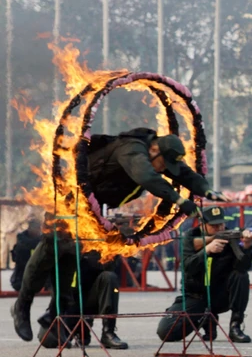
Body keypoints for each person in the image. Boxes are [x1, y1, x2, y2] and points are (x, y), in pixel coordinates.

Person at [11, 130, 217, 342]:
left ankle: (56, 315)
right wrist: (181, 201)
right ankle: (22, 305)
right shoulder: (132, 150)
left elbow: (183, 173)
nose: (165, 170)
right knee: (49, 249)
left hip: (91, 210)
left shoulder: (156, 155)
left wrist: (207, 190)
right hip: (70, 200)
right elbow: (146, 176)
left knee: (72, 254)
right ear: (154, 149)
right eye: (163, 164)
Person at [157, 206, 252, 344]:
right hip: (196, 296)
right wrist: (206, 250)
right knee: (166, 332)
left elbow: (243, 267)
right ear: (202, 225)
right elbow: (188, 267)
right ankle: (204, 320)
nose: (219, 228)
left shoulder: (231, 236)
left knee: (241, 276)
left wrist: (246, 247)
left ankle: (235, 326)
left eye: (221, 224)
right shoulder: (190, 238)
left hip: (221, 295)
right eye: (214, 226)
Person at [33, 244, 121, 350]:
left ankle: (108, 333)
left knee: (109, 277)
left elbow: (109, 265)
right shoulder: (61, 242)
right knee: (48, 340)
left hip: (91, 298)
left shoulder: (96, 238)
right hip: (68, 304)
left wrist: (85, 257)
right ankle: (81, 329)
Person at [9, 219, 41, 292]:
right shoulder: (21, 237)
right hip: (23, 270)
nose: (37, 231)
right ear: (29, 228)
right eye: (35, 229)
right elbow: (29, 244)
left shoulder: (41, 238)